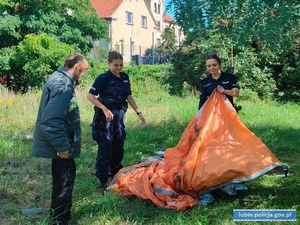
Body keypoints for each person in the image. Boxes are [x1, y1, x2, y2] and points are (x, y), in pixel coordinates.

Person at [32, 53, 88, 225]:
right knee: (63, 183)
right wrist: (62, 146)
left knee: (64, 180)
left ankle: (60, 215)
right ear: (77, 66)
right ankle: (59, 220)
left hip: (63, 144)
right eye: (84, 70)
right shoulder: (62, 84)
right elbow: (50, 120)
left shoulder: (61, 80)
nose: (83, 74)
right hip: (61, 147)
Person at [87, 51, 146, 193]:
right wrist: (104, 109)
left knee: (118, 146)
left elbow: (128, 96)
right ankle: (103, 180)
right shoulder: (103, 78)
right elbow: (90, 96)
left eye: (121, 65)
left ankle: (116, 174)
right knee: (105, 148)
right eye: (115, 65)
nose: (119, 68)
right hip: (106, 117)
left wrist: (139, 112)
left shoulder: (125, 77)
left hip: (119, 116)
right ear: (108, 63)